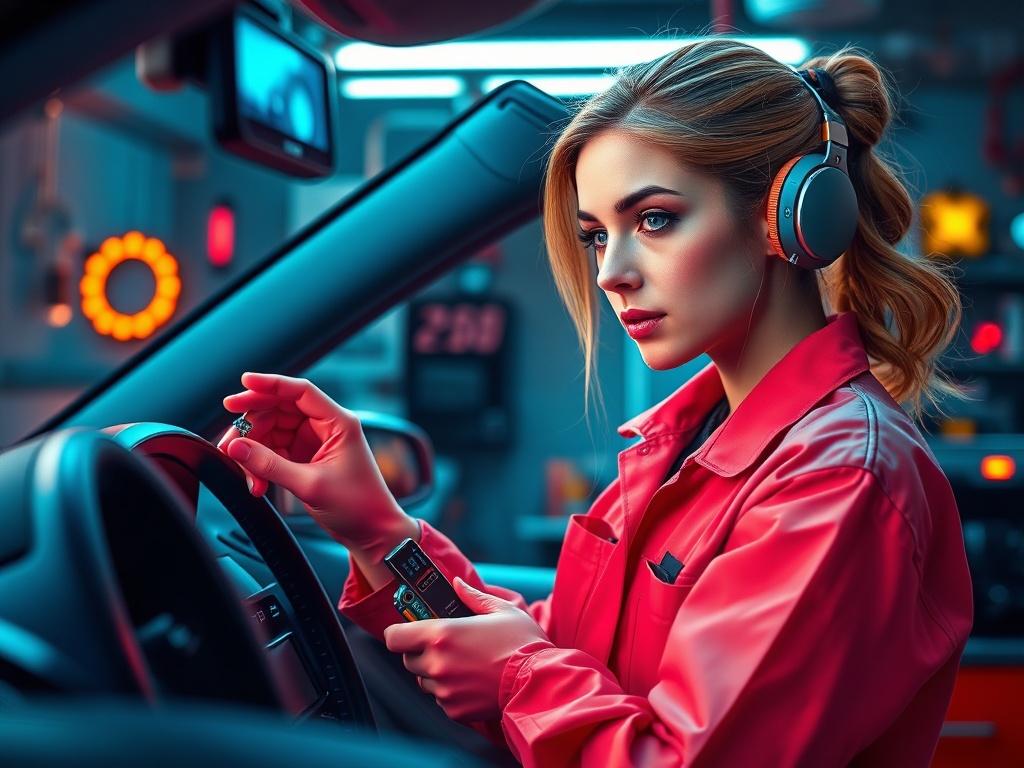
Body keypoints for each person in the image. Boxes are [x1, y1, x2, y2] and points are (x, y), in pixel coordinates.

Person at [219, 38, 975, 767]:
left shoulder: (840, 479)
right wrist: (378, 529)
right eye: (594, 235)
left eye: (654, 220)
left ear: (787, 217)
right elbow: (568, 666)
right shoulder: (683, 442)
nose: (612, 272)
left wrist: (517, 674)